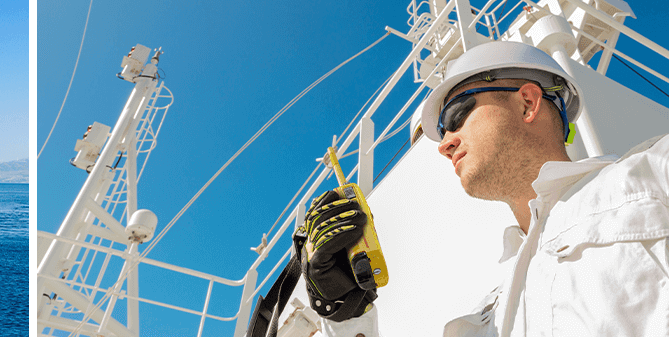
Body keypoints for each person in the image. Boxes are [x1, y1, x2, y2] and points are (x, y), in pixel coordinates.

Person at [285, 41, 669, 336]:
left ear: (527, 103)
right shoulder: (489, 314)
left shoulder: (653, 177)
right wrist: (349, 315)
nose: (444, 144)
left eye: (456, 115)